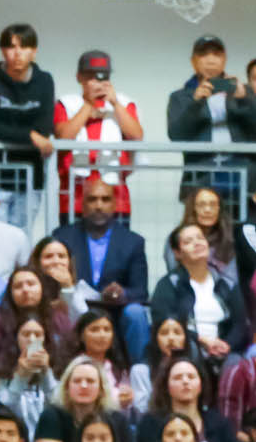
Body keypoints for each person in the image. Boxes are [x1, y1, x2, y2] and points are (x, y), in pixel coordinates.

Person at [53, 179, 150, 361]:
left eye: (105, 200)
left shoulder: (133, 242)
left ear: (114, 204)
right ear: (82, 204)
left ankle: (139, 372)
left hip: (114, 311)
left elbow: (141, 292)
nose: (99, 205)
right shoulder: (63, 236)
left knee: (136, 313)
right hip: (74, 307)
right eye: (92, 199)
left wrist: (123, 293)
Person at [0, 25, 55, 229]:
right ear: (2, 51)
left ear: (34, 52)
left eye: (25, 47)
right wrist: (29, 136)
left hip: (30, 179)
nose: (17, 53)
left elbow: (44, 129)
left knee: (21, 242)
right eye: (11, 47)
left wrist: (19, 133)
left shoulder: (44, 81)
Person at [54, 50, 143, 217]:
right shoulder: (66, 104)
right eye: (91, 77)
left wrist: (115, 104)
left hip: (116, 198)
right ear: (79, 77)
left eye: (103, 77)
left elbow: (136, 135)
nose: (98, 82)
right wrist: (88, 105)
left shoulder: (124, 103)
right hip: (75, 198)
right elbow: (64, 136)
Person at [167, 33, 256, 195]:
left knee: (244, 219)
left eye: (217, 54)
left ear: (225, 59)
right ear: (193, 61)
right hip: (201, 174)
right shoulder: (181, 97)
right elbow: (176, 135)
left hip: (243, 175)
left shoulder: (244, 92)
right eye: (203, 54)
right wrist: (195, 103)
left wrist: (244, 100)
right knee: (200, 220)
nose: (211, 60)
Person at [151, 224, 250, 362]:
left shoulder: (226, 283)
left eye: (200, 238)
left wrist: (226, 345)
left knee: (236, 361)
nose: (196, 243)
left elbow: (240, 325)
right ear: (177, 253)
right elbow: (164, 324)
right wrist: (202, 341)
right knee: (191, 353)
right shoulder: (169, 284)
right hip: (186, 348)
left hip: (225, 351)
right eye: (188, 241)